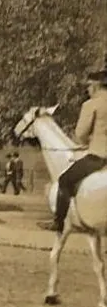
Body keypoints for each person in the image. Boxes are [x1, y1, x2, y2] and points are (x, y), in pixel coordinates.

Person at [51, 64, 107, 232]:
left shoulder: (91, 105)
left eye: (88, 86)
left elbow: (81, 134)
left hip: (98, 156)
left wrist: (87, 140)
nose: (87, 90)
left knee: (64, 180)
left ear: (95, 86)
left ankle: (58, 222)